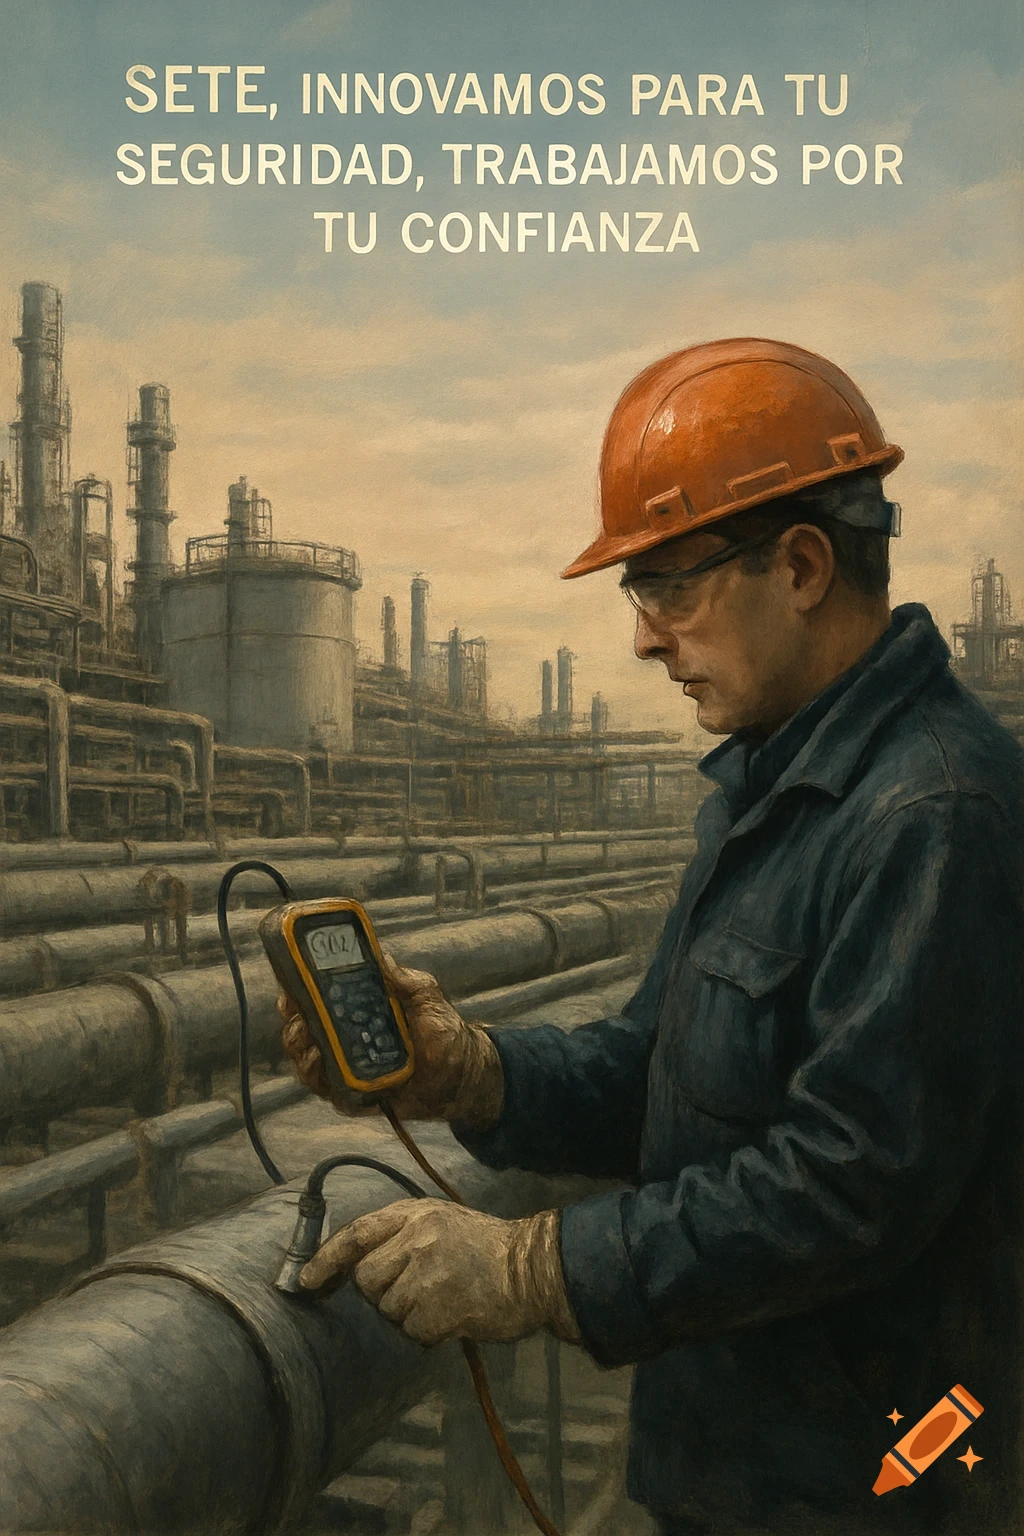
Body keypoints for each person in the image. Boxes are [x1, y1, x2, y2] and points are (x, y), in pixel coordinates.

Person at [280, 339, 1024, 1536]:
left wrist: (530, 1269)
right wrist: (468, 1067)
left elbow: (846, 1191)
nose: (642, 638)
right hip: (737, 1477)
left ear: (799, 565)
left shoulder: (934, 812)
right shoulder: (773, 792)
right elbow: (659, 1071)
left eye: (668, 584)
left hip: (873, 1491)